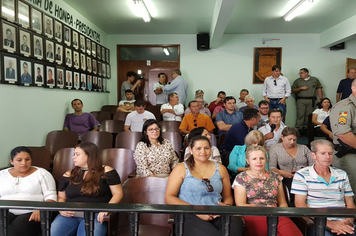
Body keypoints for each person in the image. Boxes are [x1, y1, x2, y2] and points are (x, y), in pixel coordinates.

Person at [165, 136, 244, 236]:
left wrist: (226, 207)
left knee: (236, 223)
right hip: (189, 213)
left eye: (206, 148)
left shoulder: (220, 168)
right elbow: (169, 197)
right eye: (198, 148)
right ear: (191, 150)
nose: (203, 151)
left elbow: (227, 196)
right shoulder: (181, 168)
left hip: (217, 213)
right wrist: (196, 210)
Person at [50, 142, 123, 236]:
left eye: (77, 154)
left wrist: (107, 209)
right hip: (71, 214)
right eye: (74, 154)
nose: (73, 157)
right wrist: (61, 209)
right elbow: (61, 197)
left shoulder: (106, 171)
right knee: (52, 233)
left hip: (96, 215)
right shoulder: (69, 174)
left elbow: (118, 193)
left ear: (89, 155)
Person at [233, 145, 302, 236]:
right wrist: (264, 210)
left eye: (262, 158)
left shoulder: (275, 176)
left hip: (276, 214)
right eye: (254, 159)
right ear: (248, 161)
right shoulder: (241, 178)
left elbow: (282, 203)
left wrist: (282, 214)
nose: (259, 161)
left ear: (266, 160)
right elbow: (241, 205)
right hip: (252, 215)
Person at [292, 140, 356, 236]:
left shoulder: (341, 174)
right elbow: (300, 204)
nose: (327, 157)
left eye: (330, 153)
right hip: (319, 223)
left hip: (344, 222)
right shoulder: (302, 175)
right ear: (313, 155)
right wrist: (331, 224)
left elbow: (350, 204)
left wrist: (348, 223)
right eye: (323, 153)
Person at [0, 146, 56, 236]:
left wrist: (41, 209)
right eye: (19, 160)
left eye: (27, 159)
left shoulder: (42, 173)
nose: (24, 163)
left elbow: (51, 196)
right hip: (4, 210)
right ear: (11, 161)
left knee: (13, 231)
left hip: (32, 212)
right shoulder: (2, 174)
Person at [330, 79, 356, 196]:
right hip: (349, 155)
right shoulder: (344, 107)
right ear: (354, 89)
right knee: (352, 192)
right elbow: (343, 134)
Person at [269, 127, 314, 193]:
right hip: (287, 178)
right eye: (289, 139)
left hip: (305, 177)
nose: (292, 142)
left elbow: (313, 164)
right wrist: (280, 172)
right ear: (282, 137)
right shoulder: (275, 148)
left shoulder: (304, 148)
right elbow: (272, 167)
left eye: (294, 140)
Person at [292, 68, 323, 135]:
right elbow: (293, 90)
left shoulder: (314, 80)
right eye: (300, 73)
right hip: (301, 100)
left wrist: (321, 99)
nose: (300, 74)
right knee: (300, 115)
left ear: (307, 73)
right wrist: (300, 88)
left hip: (311, 100)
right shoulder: (297, 81)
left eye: (302, 73)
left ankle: (307, 129)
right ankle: (299, 129)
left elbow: (319, 88)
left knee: (309, 115)